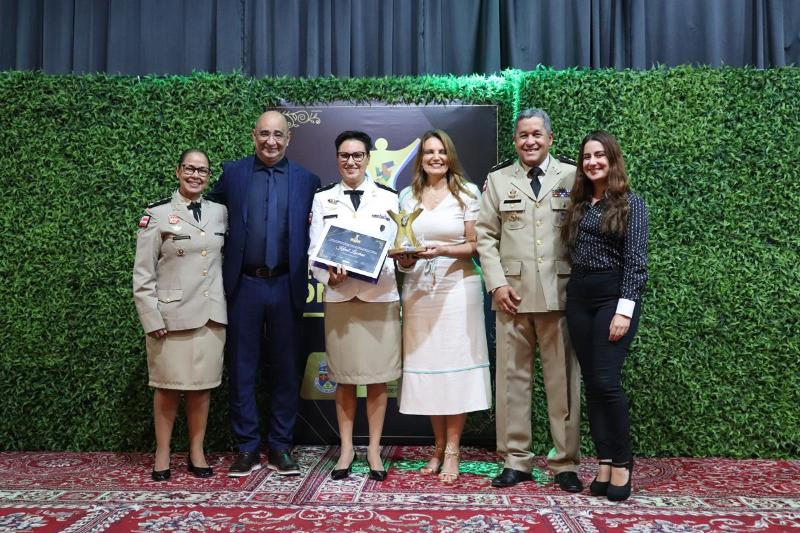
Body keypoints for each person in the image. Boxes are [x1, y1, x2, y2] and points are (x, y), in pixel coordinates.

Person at [208, 111, 320, 477]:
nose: (271, 141)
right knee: (242, 369)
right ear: (253, 135)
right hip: (245, 286)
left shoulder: (308, 181)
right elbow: (207, 214)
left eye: (278, 135)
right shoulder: (233, 174)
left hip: (287, 284)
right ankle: (247, 448)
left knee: (286, 368)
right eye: (264, 134)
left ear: (289, 139)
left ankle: (281, 446)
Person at [476, 108, 583, 492]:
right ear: (515, 140)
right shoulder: (498, 179)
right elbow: (485, 236)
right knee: (512, 382)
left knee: (563, 382)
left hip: (559, 294)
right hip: (512, 297)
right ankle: (516, 460)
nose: (530, 141)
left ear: (550, 138)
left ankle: (565, 462)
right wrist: (496, 285)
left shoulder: (572, 176)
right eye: (523, 135)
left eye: (537, 134)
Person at [394, 129, 491, 483]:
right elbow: (404, 248)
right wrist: (406, 260)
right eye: (428, 152)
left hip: (458, 289)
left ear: (450, 156)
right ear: (420, 159)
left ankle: (452, 449)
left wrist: (443, 250)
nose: (435, 157)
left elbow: (475, 245)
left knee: (455, 368)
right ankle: (437, 447)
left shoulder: (468, 192)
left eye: (441, 151)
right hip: (419, 291)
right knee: (429, 369)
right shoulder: (407, 196)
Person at [308, 130, 401, 482]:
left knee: (377, 380)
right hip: (341, 297)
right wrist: (327, 277)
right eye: (345, 155)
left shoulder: (390, 198)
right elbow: (314, 252)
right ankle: (346, 449)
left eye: (358, 155)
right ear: (337, 159)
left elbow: (399, 246)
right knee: (344, 379)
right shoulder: (323, 199)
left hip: (381, 298)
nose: (351, 161)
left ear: (367, 159)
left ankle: (374, 449)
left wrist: (395, 263)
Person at [562, 131, 648, 502]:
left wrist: (624, 311)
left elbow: (637, 262)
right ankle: (605, 462)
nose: (592, 162)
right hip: (579, 298)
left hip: (613, 298)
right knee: (593, 385)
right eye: (586, 157)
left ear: (612, 160)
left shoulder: (631, 204)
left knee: (606, 381)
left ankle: (623, 463)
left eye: (599, 155)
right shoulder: (579, 204)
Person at [133, 149, 227, 481]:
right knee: (167, 387)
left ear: (208, 176)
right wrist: (151, 317)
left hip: (211, 316)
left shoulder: (220, 212)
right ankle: (162, 453)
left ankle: (196, 451)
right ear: (178, 171)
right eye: (189, 169)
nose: (195, 175)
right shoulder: (157, 214)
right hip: (171, 317)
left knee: (202, 388)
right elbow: (143, 273)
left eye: (202, 171)